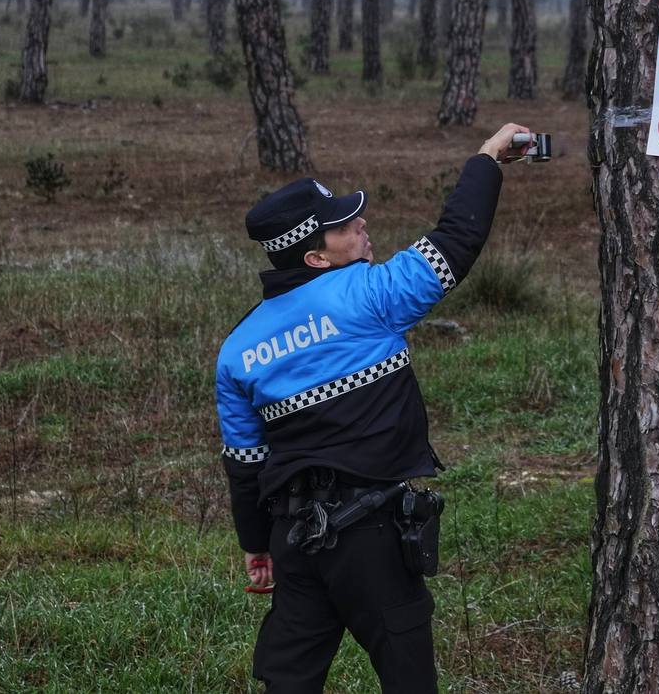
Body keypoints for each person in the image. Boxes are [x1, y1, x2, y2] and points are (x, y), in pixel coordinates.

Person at [215, 122, 534, 693]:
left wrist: (255, 546)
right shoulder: (370, 294)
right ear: (315, 258)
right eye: (342, 225)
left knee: (287, 679)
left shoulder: (237, 349)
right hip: (373, 537)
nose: (359, 223)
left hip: (294, 541)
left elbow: (244, 464)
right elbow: (455, 241)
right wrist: (486, 160)